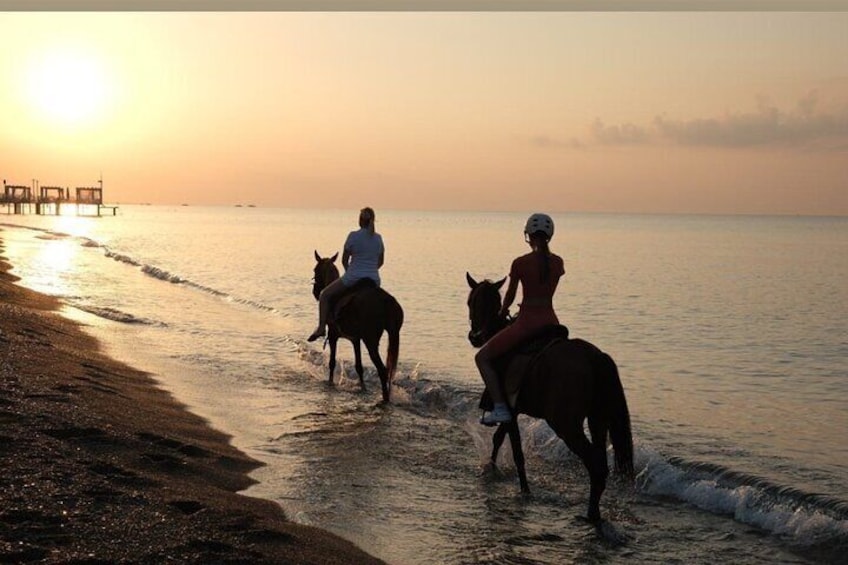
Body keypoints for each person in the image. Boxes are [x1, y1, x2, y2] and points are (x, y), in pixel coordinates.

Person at [476, 213, 565, 425]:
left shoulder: (520, 263)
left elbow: (510, 295)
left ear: (528, 235)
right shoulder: (558, 263)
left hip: (527, 323)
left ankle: (500, 408)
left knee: (482, 358)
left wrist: (502, 312)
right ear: (550, 236)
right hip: (552, 322)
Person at [308, 207, 384, 342]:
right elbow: (381, 262)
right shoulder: (378, 238)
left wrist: (351, 271)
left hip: (353, 278)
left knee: (324, 295)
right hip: (374, 280)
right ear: (373, 220)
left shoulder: (353, 236)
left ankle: (321, 328)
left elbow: (344, 260)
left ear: (360, 221)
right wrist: (371, 270)